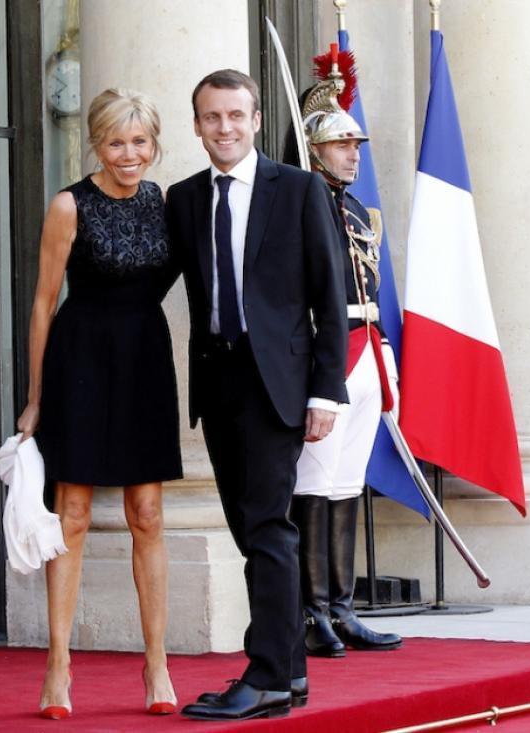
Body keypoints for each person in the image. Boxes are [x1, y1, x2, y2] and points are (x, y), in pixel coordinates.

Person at [166, 69, 349, 722]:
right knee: (252, 530)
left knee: (269, 525)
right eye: (212, 117)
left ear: (257, 120)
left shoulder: (298, 189)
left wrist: (327, 392)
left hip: (279, 384)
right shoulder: (185, 198)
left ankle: (267, 675)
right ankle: (290, 670)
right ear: (197, 125)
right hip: (217, 382)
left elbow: (331, 297)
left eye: (236, 115)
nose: (225, 128)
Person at [15, 88, 181, 719]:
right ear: (96, 144)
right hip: (81, 359)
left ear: (154, 144)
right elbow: (42, 303)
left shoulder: (162, 201)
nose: (129, 154)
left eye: (140, 142)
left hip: (144, 361)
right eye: (116, 142)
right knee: (74, 515)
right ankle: (58, 665)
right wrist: (35, 397)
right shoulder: (69, 205)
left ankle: (156, 662)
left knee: (149, 515)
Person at [285, 62, 402, 658]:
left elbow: (370, 286)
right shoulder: (298, 209)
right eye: (341, 144)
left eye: (355, 144)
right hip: (324, 356)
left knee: (347, 482)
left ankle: (342, 607)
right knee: (315, 481)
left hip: (367, 350)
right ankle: (311, 612)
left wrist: (386, 359)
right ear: (313, 149)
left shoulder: (356, 210)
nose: (354, 154)